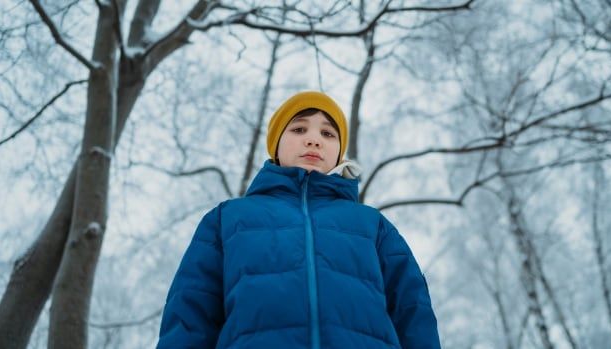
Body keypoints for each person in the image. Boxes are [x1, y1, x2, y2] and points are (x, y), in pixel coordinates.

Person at [157, 91, 440, 348]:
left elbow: (413, 313)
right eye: (299, 128)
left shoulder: (373, 226)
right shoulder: (228, 219)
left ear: (339, 152)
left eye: (328, 134)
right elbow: (189, 312)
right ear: (275, 146)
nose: (314, 139)